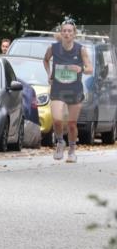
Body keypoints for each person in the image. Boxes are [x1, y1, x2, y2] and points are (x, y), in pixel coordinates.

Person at [43, 20, 93, 162]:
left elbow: (90, 69)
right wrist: (49, 74)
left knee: (71, 124)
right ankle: (60, 142)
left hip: (74, 89)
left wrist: (81, 69)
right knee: (57, 120)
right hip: (58, 88)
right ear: (61, 33)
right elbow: (45, 60)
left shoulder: (80, 49)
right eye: (64, 31)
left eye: (70, 31)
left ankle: (72, 149)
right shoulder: (53, 48)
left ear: (74, 34)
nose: (66, 33)